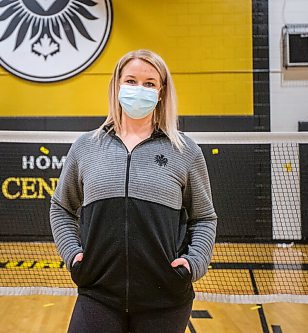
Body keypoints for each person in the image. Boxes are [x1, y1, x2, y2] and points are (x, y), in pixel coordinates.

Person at [49, 49, 217, 333]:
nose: (139, 89)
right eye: (131, 81)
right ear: (116, 86)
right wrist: (74, 255)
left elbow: (204, 218)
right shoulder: (86, 147)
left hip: (165, 297)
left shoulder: (185, 151)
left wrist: (192, 264)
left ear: (162, 92)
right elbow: (61, 208)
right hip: (98, 293)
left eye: (150, 83)